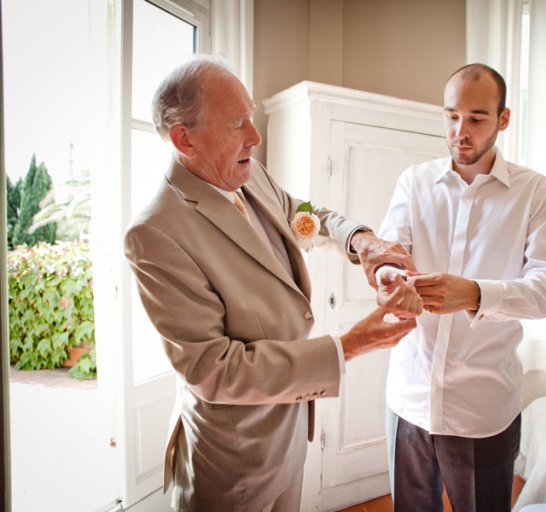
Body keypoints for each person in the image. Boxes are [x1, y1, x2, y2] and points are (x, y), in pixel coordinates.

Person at [123, 55, 417, 512]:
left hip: (290, 432)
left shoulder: (248, 173)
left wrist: (364, 243)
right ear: (184, 138)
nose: (255, 138)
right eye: (236, 124)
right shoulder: (154, 233)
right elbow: (213, 369)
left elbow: (305, 217)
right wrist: (350, 345)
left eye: (252, 118)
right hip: (231, 461)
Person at [376, 63, 546, 512]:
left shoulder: (534, 193)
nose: (460, 131)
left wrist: (477, 295)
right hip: (409, 397)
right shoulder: (414, 182)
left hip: (483, 410)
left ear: (503, 119)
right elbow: (388, 254)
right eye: (450, 116)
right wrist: (387, 278)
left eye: (477, 118)